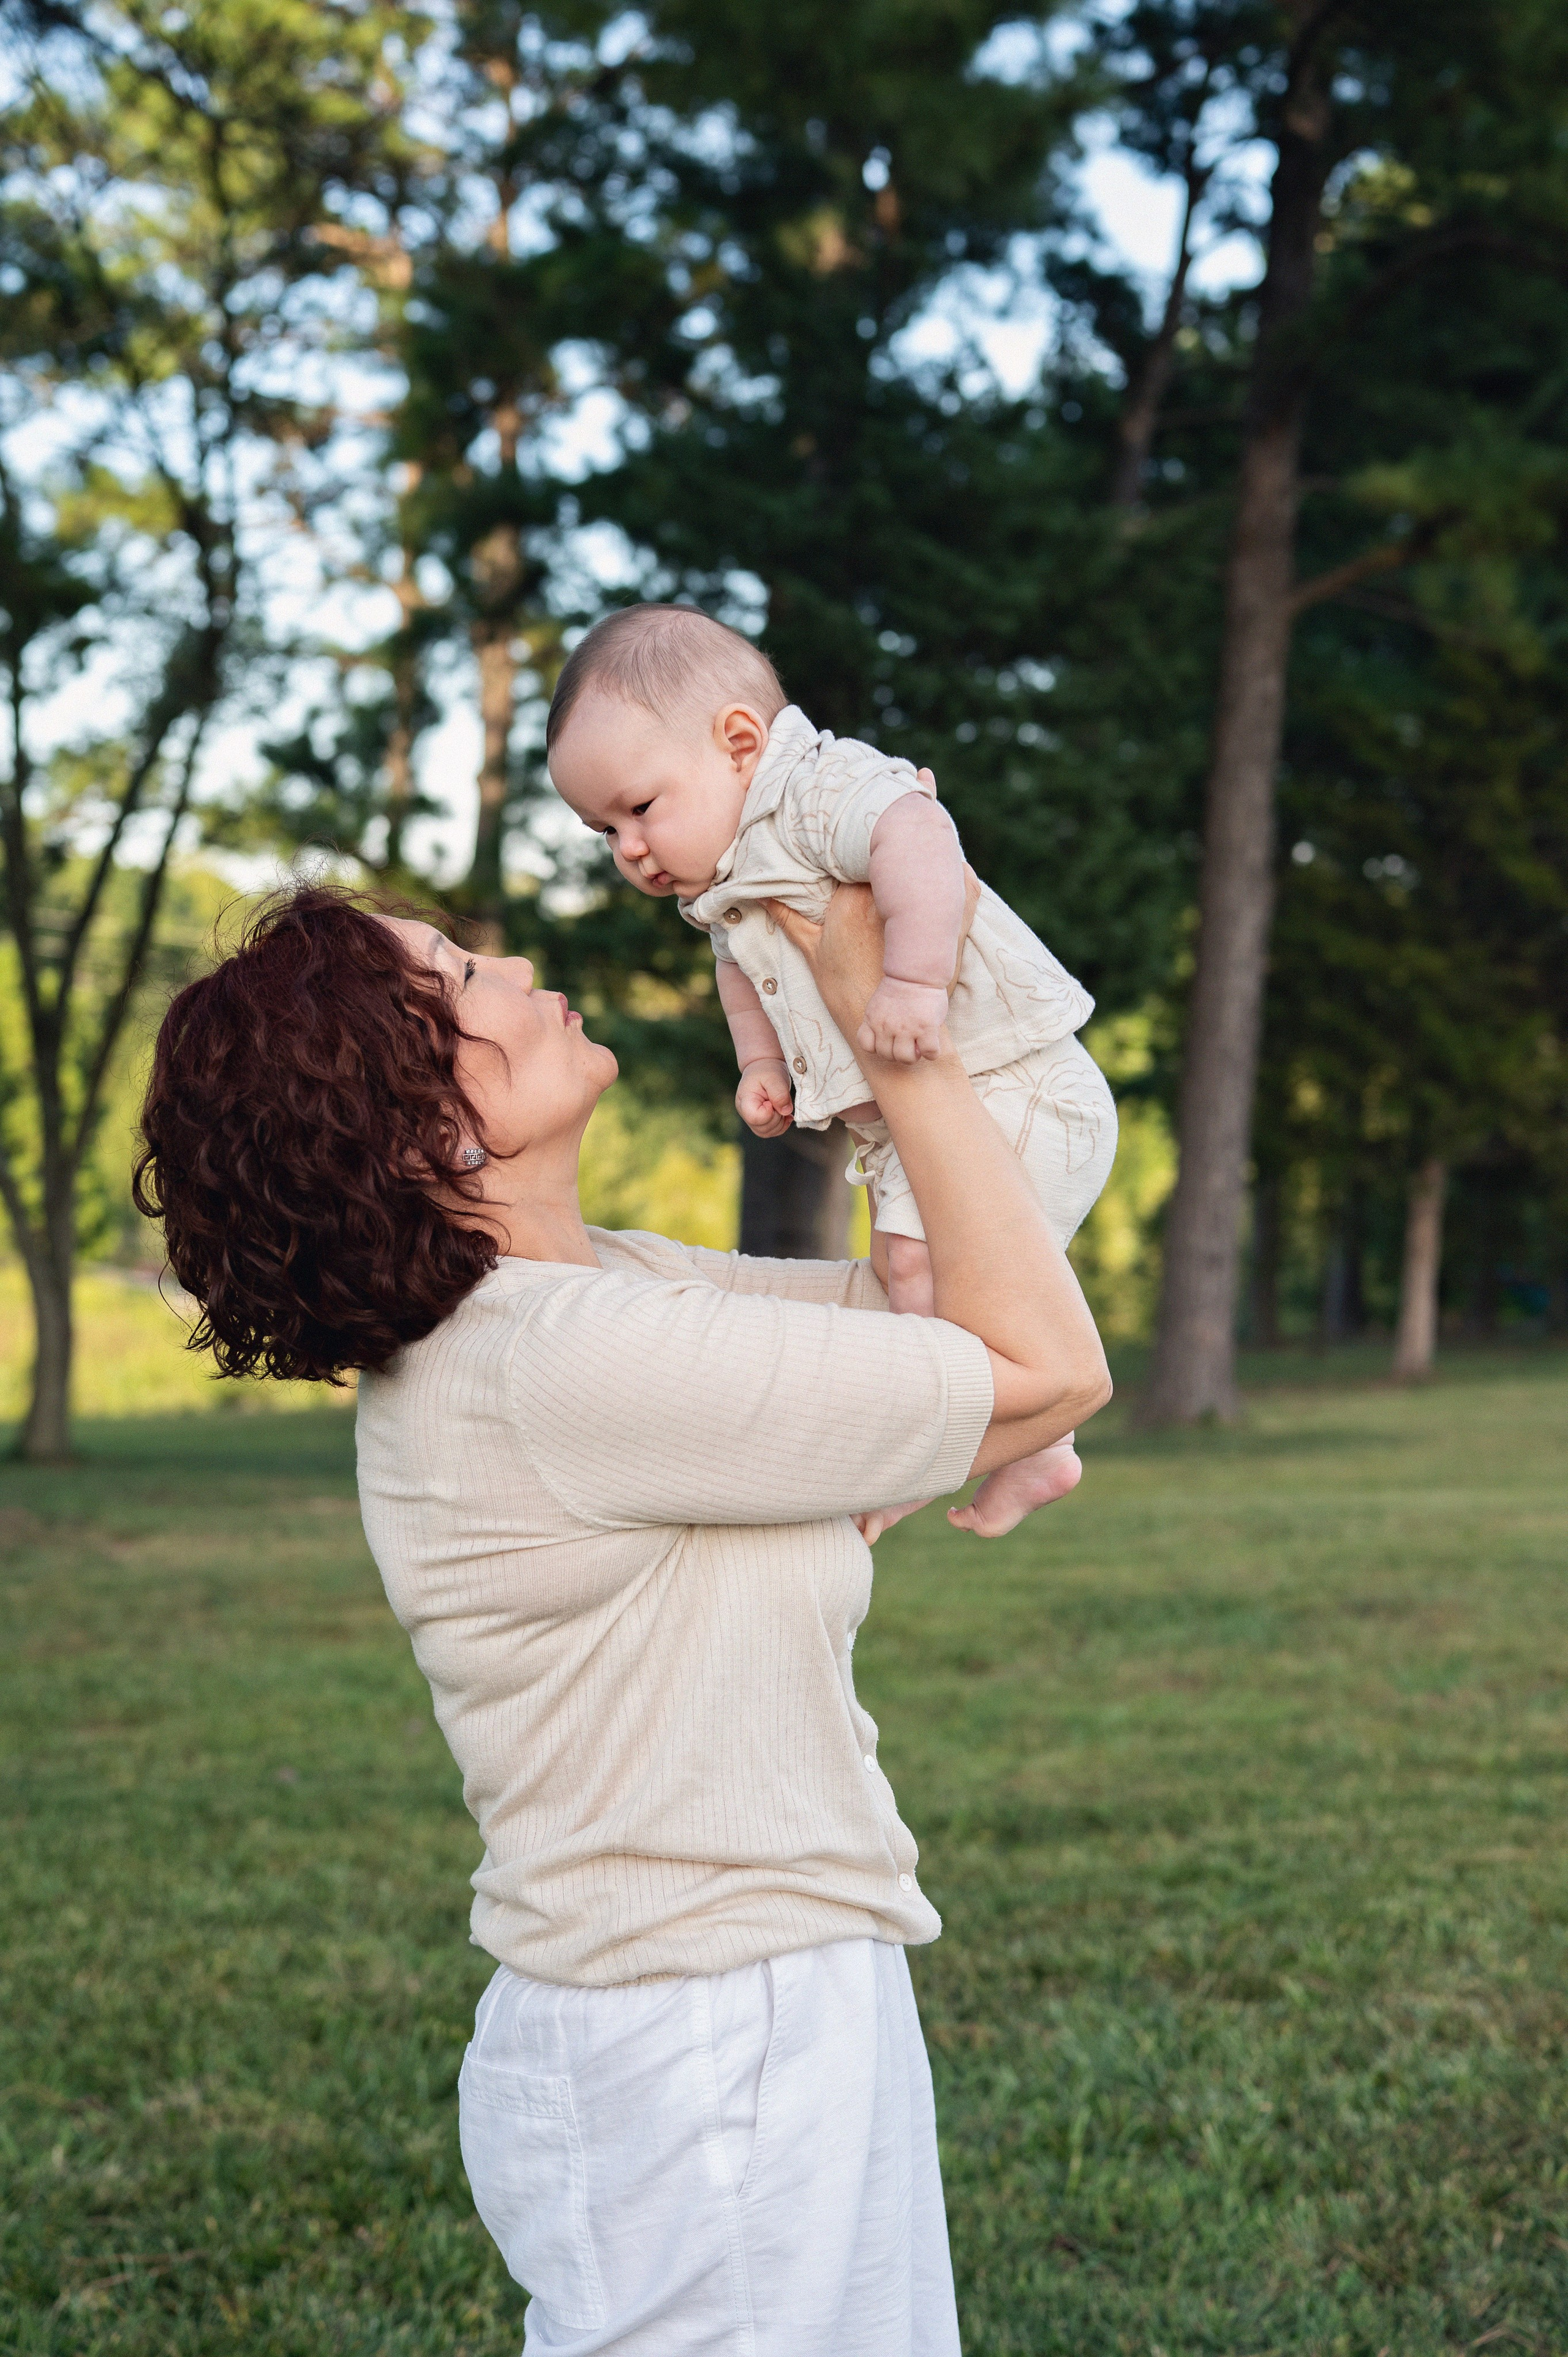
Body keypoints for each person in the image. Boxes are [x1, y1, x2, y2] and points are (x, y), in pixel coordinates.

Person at [133, 878, 1110, 2357]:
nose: (517, 966)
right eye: (461, 977)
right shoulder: (557, 1357)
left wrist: (847, 963)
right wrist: (895, 1044)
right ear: (420, 1125)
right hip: (696, 2037)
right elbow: (1036, 1369)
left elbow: (952, 1313)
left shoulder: (596, 1294)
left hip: (751, 1998)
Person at [546, 602, 1118, 1537]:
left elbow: (922, 839)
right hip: (936, 1111)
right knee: (917, 1280)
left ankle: (936, 1453)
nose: (630, 851)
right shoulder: (726, 882)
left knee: (922, 1275)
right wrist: (762, 1061)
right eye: (602, 832)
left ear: (739, 743)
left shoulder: (815, 792)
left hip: (1018, 1084)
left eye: (640, 809)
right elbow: (742, 977)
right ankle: (1036, 1447)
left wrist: (914, 982)